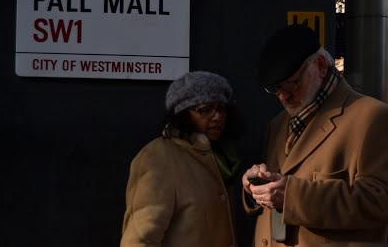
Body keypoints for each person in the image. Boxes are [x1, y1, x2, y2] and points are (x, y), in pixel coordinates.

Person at [242, 24, 388, 247]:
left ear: (319, 65)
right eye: (275, 89)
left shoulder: (372, 117)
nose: (283, 96)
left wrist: (291, 196)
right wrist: (256, 188)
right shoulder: (278, 124)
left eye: (291, 84)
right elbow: (277, 197)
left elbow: (379, 200)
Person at [121, 71, 243, 247]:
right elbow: (141, 238)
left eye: (221, 109)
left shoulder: (222, 158)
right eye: (205, 110)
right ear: (183, 114)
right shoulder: (158, 157)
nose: (218, 117)